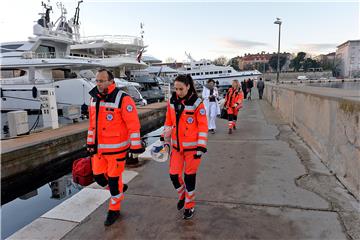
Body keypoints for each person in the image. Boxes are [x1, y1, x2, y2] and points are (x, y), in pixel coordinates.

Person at [86, 69, 144, 226]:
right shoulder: (93, 99)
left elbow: (133, 125)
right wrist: (90, 143)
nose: (98, 83)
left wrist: (136, 147)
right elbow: (92, 126)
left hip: (116, 150)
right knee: (98, 177)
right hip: (98, 150)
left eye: (102, 80)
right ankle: (119, 188)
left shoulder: (123, 99)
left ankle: (114, 208)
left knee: (113, 181)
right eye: (97, 80)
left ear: (112, 82)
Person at [161, 74, 208, 220]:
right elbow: (169, 121)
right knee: (173, 175)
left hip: (193, 149)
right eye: (176, 89)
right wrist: (165, 137)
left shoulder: (197, 102)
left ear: (188, 87)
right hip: (176, 148)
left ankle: (189, 205)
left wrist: (201, 146)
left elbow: (202, 125)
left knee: (189, 178)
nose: (178, 92)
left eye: (181, 89)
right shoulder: (171, 101)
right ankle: (182, 195)